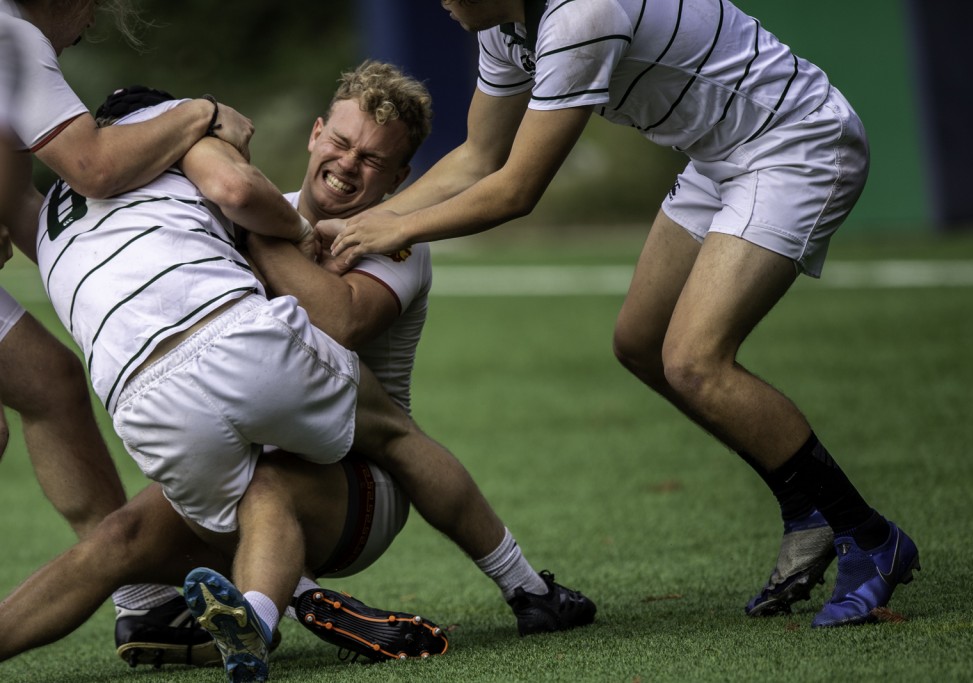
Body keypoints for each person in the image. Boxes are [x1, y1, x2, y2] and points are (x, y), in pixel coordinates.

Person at [326, 0, 920, 628]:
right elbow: (479, 155)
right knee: (641, 343)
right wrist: (358, 226)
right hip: (717, 158)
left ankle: (870, 536)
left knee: (693, 361)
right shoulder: (505, 25)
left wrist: (386, 233)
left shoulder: (584, 15)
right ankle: (807, 510)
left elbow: (516, 190)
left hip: (794, 141)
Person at [34, 76, 591, 682]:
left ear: (399, 179)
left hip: (363, 479)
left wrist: (256, 230)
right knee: (118, 538)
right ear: (315, 134)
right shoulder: (261, 201)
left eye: (373, 158)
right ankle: (243, 606)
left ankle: (522, 588)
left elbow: (342, 319)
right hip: (256, 443)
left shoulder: (394, 237)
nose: (348, 166)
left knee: (281, 480)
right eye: (343, 142)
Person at [0, 0, 257, 647]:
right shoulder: (12, 34)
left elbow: (20, 206)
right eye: (93, 12)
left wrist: (109, 278)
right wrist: (200, 112)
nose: (88, 31)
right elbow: (95, 166)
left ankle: (144, 602)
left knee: (50, 384)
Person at [0, 450, 450, 666]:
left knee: (244, 487)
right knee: (121, 534)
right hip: (246, 459)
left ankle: (269, 610)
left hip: (349, 480)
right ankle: (286, 599)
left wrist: (517, 581)